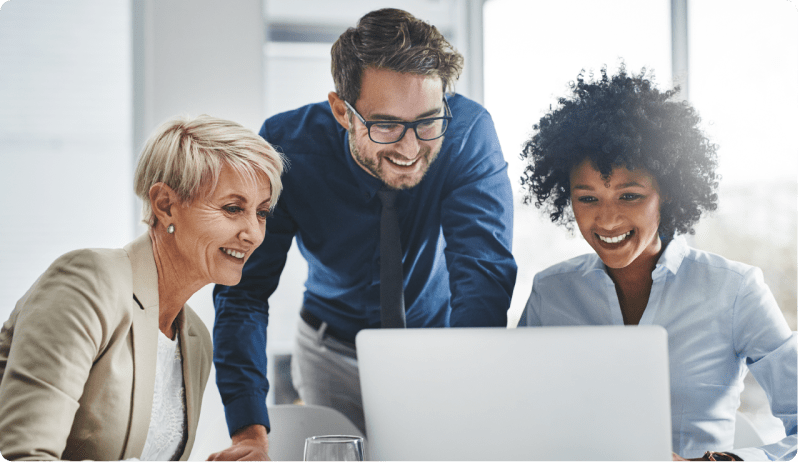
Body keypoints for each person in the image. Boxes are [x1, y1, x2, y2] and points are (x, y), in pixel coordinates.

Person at [209, 8, 517, 460]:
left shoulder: (468, 132)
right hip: (329, 350)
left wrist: (465, 394)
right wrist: (248, 431)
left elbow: (482, 274)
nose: (410, 149)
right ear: (342, 111)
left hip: (439, 347)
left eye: (428, 121)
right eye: (386, 125)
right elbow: (243, 292)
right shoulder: (287, 147)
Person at [517, 65, 797, 461]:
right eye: (588, 198)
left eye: (629, 196)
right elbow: (515, 414)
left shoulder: (734, 289)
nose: (608, 220)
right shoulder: (551, 293)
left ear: (667, 193)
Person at [0, 115, 285, 461]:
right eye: (232, 208)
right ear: (165, 205)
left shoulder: (194, 338)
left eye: (262, 213)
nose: (254, 234)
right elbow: (22, 456)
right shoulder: (88, 283)